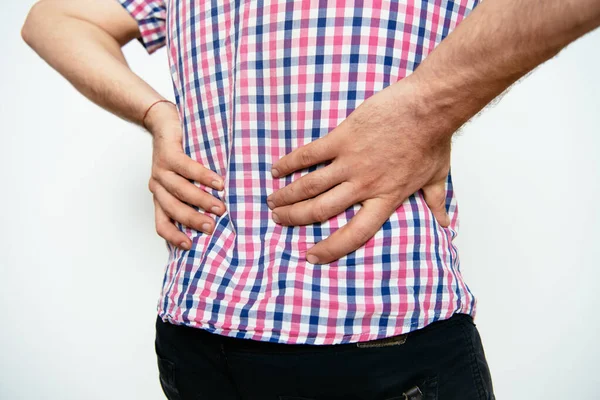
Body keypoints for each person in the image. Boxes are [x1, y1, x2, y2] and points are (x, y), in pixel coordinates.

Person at [21, 0, 599, 399]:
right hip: (205, 341)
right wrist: (157, 112)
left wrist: (427, 109)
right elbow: (54, 18)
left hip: (373, 340)